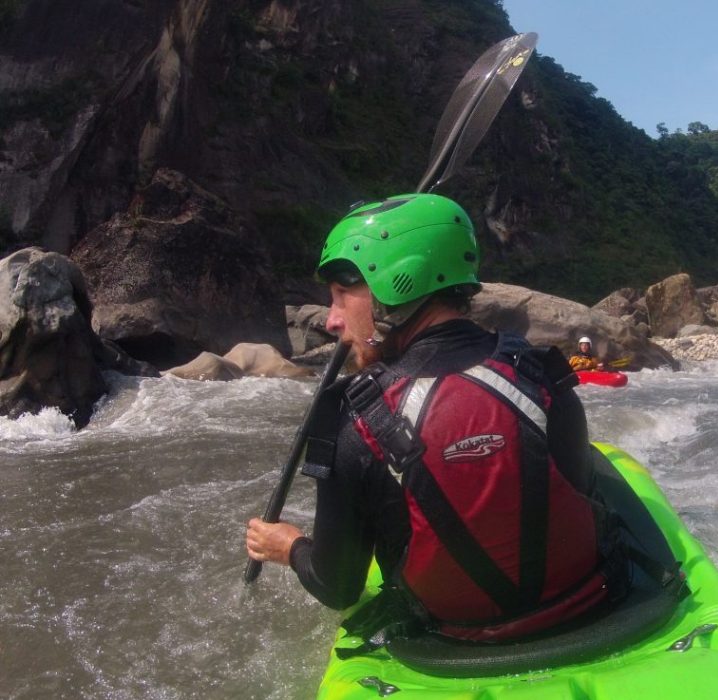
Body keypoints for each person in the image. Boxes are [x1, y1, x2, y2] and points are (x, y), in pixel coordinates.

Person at [245, 194, 626, 643]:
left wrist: (290, 547)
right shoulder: (540, 372)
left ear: (395, 286)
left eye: (341, 296)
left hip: (452, 637)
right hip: (587, 606)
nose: (331, 320)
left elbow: (338, 586)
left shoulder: (354, 418)